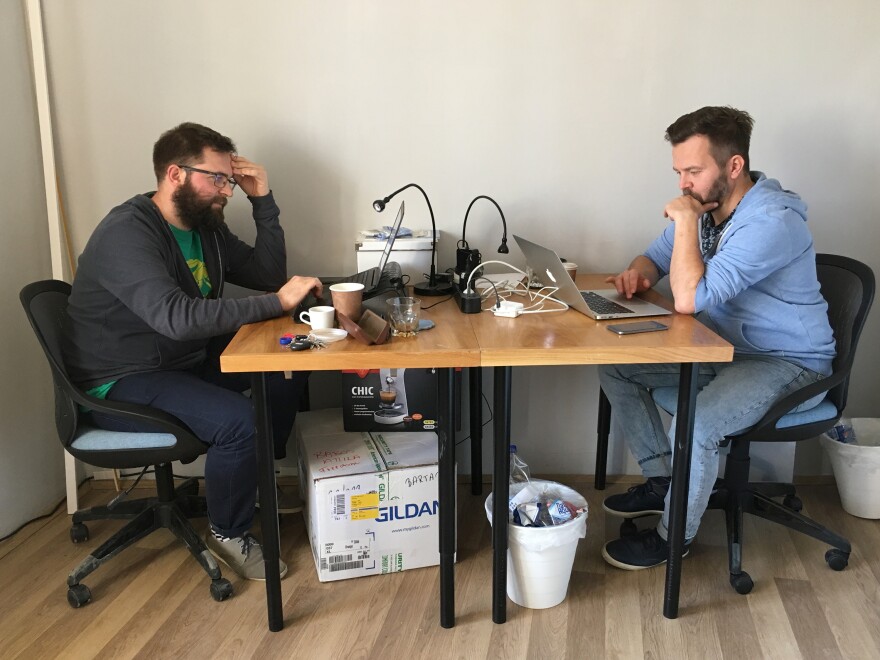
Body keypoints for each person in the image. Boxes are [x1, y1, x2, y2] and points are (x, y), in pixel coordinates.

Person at [63, 122, 321, 580]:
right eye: (216, 178)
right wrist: (278, 302)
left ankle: (254, 483)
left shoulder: (206, 229)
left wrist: (263, 199)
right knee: (239, 422)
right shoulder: (127, 233)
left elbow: (267, 273)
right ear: (175, 174)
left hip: (178, 360)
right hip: (120, 380)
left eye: (230, 180)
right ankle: (228, 533)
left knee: (287, 357)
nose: (226, 190)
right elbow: (177, 318)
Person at [598, 106, 835, 570]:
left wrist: (685, 222)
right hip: (726, 350)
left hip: (789, 363)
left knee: (697, 422)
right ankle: (665, 483)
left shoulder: (771, 221)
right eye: (678, 171)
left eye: (693, 171)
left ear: (733, 166)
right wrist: (636, 275)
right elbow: (654, 258)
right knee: (615, 363)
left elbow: (689, 298)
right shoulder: (708, 209)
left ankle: (673, 539)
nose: (682, 184)